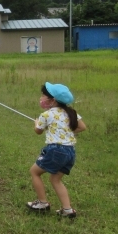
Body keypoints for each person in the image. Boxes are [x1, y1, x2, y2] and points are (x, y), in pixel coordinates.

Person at [27, 82, 86, 218]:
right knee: (56, 179)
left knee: (34, 172)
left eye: (44, 95)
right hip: (70, 152)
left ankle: (42, 203)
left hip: (55, 150)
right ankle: (67, 210)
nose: (41, 97)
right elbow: (82, 127)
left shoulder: (46, 115)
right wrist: (66, 131)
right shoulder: (71, 113)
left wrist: (36, 124)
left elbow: (38, 131)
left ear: (52, 100)